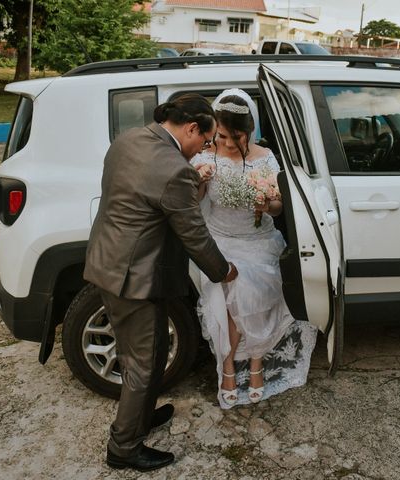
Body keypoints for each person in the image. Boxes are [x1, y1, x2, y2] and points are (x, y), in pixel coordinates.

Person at [84, 93, 238, 472]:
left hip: (107, 262)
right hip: (134, 278)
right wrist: (224, 271)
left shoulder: (129, 140)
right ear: (190, 127)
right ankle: (123, 448)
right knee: (143, 364)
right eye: (203, 141)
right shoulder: (175, 170)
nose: (202, 149)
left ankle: (138, 416)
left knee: (146, 355)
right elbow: (195, 237)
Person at [191, 88, 317, 409]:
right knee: (233, 297)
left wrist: (267, 202)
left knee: (257, 298)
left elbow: (278, 208)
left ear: (250, 131)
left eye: (237, 137)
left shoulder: (266, 158)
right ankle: (230, 366)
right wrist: (198, 180)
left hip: (259, 241)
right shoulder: (206, 158)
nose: (229, 144)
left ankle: (257, 360)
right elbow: (192, 205)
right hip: (219, 241)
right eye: (222, 136)